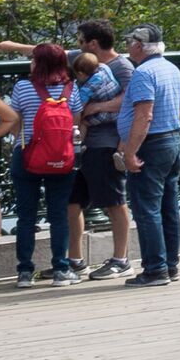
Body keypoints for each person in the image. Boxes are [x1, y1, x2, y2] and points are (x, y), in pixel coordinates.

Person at [3, 41, 84, 285]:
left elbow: (14, 120)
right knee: (58, 214)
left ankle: (25, 272)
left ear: (38, 62)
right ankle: (60, 268)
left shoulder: (23, 87)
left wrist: (19, 142)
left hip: (27, 155)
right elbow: (76, 121)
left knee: (26, 215)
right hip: (61, 158)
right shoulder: (71, 90)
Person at [113, 24, 180, 286]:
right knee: (168, 207)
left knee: (147, 210)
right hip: (172, 141)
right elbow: (177, 109)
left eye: (129, 42)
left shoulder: (143, 73)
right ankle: (170, 265)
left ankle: (155, 269)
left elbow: (144, 115)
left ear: (138, 46)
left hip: (152, 146)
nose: (126, 47)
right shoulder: (172, 69)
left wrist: (130, 152)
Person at [66, 24, 134, 278]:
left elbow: (130, 102)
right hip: (83, 146)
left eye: (81, 40)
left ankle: (121, 259)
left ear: (92, 43)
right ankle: (75, 260)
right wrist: (10, 47)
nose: (78, 44)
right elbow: (50, 53)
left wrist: (94, 108)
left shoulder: (122, 68)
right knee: (72, 202)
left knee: (114, 202)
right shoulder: (84, 61)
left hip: (106, 142)